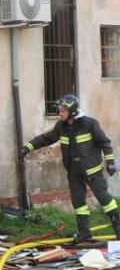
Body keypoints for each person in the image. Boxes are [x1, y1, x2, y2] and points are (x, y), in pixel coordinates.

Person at [19, 94, 120, 242]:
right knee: (78, 202)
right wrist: (26, 148)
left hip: (92, 171)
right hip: (74, 172)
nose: (60, 114)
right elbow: (46, 138)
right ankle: (85, 233)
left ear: (72, 111)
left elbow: (104, 143)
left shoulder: (89, 124)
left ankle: (118, 230)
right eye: (60, 111)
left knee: (104, 199)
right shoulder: (61, 126)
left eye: (63, 111)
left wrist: (110, 162)